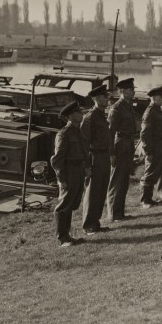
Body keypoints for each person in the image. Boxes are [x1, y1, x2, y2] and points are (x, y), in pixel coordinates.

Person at [50, 101, 88, 247]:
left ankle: (67, 235)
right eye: (78, 113)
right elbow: (57, 160)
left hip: (78, 170)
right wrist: (61, 179)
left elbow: (83, 150)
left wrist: (85, 168)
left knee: (71, 203)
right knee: (63, 205)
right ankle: (62, 237)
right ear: (71, 116)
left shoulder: (78, 131)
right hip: (69, 171)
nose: (81, 114)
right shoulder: (63, 134)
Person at [81, 85, 113, 234]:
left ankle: (96, 222)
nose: (108, 99)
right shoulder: (90, 117)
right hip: (95, 158)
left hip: (103, 157)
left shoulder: (101, 115)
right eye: (105, 96)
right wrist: (87, 166)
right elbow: (84, 144)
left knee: (101, 191)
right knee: (93, 192)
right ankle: (88, 226)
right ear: (96, 99)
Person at [107, 78, 138, 221]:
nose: (133, 92)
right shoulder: (116, 108)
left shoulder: (128, 106)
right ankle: (113, 214)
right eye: (130, 90)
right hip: (120, 144)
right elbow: (110, 133)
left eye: (133, 89)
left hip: (128, 143)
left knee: (124, 179)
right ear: (122, 91)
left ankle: (120, 213)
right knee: (117, 180)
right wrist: (111, 153)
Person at [138, 86, 162, 208]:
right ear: (154, 98)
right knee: (149, 173)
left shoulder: (157, 109)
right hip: (154, 147)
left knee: (154, 172)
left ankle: (149, 199)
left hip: (160, 146)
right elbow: (144, 134)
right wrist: (148, 151)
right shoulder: (149, 112)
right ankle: (145, 200)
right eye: (161, 97)